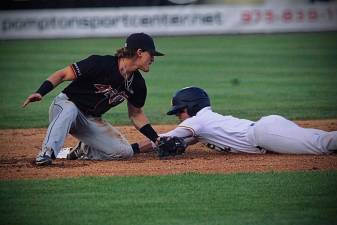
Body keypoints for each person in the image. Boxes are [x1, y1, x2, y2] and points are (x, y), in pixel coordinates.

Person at [22, 33, 164, 165]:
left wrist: (156, 139)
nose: (153, 59)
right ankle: (47, 153)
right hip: (64, 106)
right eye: (151, 54)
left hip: (90, 119)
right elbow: (63, 74)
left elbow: (136, 114)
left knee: (125, 152)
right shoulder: (100, 63)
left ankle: (83, 149)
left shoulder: (138, 84)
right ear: (139, 52)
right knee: (71, 108)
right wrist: (41, 92)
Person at [136, 86, 337, 155]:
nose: (179, 116)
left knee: (320, 145)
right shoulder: (204, 123)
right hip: (267, 130)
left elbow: (162, 139)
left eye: (180, 111)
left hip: (264, 134)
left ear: (192, 106)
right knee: (320, 138)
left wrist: (132, 149)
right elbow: (182, 141)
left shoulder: (198, 121)